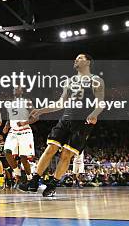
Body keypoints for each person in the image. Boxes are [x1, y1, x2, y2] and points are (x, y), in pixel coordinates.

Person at [27, 53, 105, 197]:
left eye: (80, 58)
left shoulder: (96, 80)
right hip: (66, 118)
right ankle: (34, 180)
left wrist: (94, 114)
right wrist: (41, 110)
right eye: (76, 58)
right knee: (51, 147)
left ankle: (53, 184)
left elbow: (101, 103)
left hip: (83, 122)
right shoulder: (69, 81)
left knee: (66, 154)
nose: (76, 60)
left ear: (88, 62)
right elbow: (60, 104)